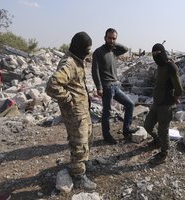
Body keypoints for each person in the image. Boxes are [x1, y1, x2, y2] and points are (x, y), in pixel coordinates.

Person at [45, 32, 96, 190]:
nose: (88, 52)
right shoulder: (69, 63)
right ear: (79, 47)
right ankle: (78, 175)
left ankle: (84, 164)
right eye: (87, 49)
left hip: (82, 110)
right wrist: (68, 99)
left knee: (87, 137)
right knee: (78, 143)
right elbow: (52, 85)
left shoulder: (77, 60)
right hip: (75, 112)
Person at [92, 28, 137, 145]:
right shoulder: (98, 52)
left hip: (115, 86)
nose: (111, 40)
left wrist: (114, 44)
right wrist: (99, 87)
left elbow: (126, 49)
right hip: (106, 87)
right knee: (107, 112)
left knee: (130, 104)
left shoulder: (114, 51)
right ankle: (106, 136)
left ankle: (126, 130)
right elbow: (95, 71)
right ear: (104, 38)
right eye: (109, 38)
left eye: (114, 38)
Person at [144, 43, 183, 165]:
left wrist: (175, 98)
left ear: (163, 53)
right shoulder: (160, 66)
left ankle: (164, 152)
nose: (156, 56)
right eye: (154, 54)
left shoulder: (170, 66)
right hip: (156, 103)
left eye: (158, 54)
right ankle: (157, 140)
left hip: (166, 105)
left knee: (163, 130)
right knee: (148, 125)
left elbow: (179, 88)